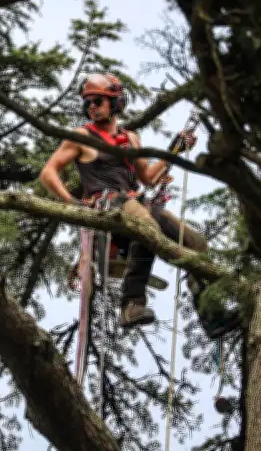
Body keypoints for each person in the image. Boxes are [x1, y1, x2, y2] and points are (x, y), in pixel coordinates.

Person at [39, 72, 239, 339]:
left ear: (116, 103)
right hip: (108, 202)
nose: (92, 107)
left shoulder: (131, 139)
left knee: (194, 242)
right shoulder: (81, 136)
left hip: (134, 200)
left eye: (98, 101)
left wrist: (175, 149)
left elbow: (149, 178)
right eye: (88, 103)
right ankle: (131, 305)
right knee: (146, 227)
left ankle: (212, 316)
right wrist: (74, 205)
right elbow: (49, 172)